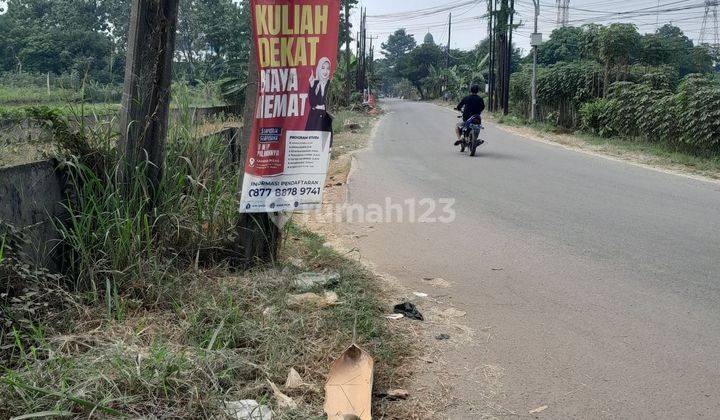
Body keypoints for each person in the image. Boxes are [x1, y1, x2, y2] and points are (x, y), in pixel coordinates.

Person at [306, 57, 333, 132]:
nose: (325, 71)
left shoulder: (330, 84)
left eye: (328, 68)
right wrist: (311, 86)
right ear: (318, 69)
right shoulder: (315, 83)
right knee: (310, 141)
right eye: (323, 68)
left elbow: (322, 102)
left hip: (324, 118)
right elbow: (313, 103)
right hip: (313, 118)